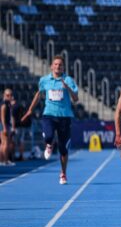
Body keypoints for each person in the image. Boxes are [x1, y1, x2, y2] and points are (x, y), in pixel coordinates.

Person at [22, 55, 78, 184]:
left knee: (63, 149)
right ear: (52, 66)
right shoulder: (44, 80)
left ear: (63, 67)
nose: (58, 66)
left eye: (60, 65)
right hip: (49, 114)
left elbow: (75, 99)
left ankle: (63, 173)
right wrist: (30, 109)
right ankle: (49, 144)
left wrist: (67, 88)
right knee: (48, 136)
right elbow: (38, 93)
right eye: (56, 64)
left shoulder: (68, 80)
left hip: (65, 116)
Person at [0, 89, 15, 166]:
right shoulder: (4, 105)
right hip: (4, 125)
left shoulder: (8, 104)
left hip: (6, 125)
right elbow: (2, 117)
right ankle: (4, 160)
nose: (9, 97)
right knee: (5, 143)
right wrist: (4, 127)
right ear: (4, 95)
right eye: (7, 95)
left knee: (4, 143)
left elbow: (11, 116)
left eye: (10, 95)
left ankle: (3, 160)